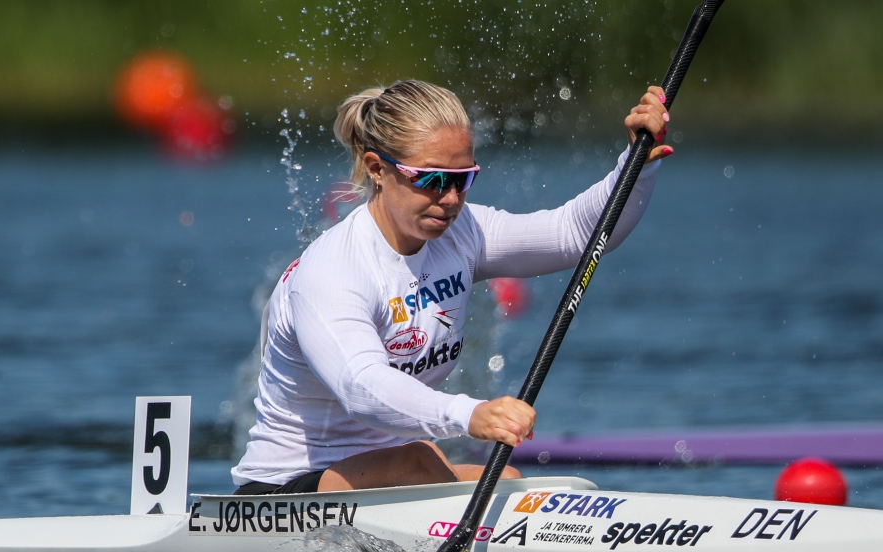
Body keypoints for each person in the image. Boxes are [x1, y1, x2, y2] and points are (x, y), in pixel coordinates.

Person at [231, 80, 671, 495]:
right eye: (433, 179)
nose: (452, 199)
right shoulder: (332, 270)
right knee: (421, 460)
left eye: (463, 178)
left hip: (381, 475)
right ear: (377, 169)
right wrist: (469, 413)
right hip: (282, 492)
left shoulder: (463, 233)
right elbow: (361, 388)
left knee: (507, 479)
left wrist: (635, 165)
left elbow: (575, 233)